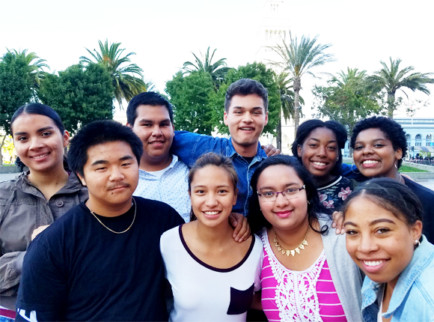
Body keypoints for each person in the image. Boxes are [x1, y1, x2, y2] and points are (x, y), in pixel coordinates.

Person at [15, 120, 184, 321]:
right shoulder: (52, 244)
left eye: (125, 163)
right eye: (102, 168)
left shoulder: (164, 219)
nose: (117, 175)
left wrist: (231, 221)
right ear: (81, 176)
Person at [248, 155, 363, 321]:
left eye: (291, 190)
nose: (280, 202)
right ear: (258, 200)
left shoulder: (341, 235)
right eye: (268, 193)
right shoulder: (255, 247)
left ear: (307, 192)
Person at [0, 103, 87, 316]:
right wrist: (30, 258)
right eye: (23, 138)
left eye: (45, 133)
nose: (35, 145)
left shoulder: (94, 195)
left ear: (65, 137)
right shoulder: (3, 197)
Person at [160, 153, 262, 321]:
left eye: (222, 191)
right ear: (190, 194)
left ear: (235, 195)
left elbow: (267, 300)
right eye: (201, 192)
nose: (211, 201)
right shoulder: (169, 242)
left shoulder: (255, 248)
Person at [171, 78, 273, 216]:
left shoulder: (272, 165)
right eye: (239, 112)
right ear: (226, 117)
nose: (247, 119)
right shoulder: (202, 147)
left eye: (256, 112)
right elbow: (159, 136)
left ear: (265, 118)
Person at [343, 178, 434, 321]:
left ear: (415, 231)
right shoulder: (383, 271)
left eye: (382, 230)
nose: (365, 247)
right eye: (352, 232)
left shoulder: (429, 301)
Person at [351, 116, 434, 242]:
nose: (366, 151)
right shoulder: (348, 195)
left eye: (378, 145)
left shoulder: (428, 201)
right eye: (359, 147)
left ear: (398, 152)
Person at [126, 91, 191, 222]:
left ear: (173, 129)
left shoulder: (192, 172)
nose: (157, 132)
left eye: (163, 124)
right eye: (147, 125)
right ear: (129, 129)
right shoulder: (121, 180)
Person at [291, 119, 353, 214]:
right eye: (313, 145)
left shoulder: (352, 190)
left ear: (337, 154)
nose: (322, 153)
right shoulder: (285, 184)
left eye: (331, 147)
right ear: (299, 150)